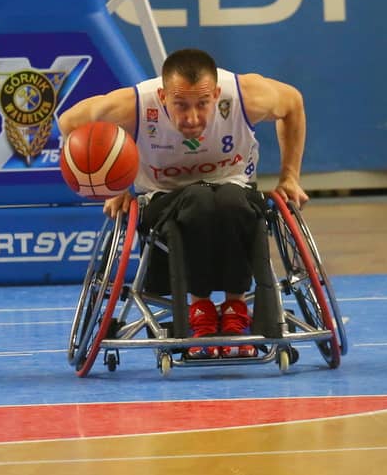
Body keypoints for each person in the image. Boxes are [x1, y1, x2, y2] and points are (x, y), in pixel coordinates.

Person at [58, 48, 308, 359]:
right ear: (163, 96)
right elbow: (69, 122)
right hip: (163, 197)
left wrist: (290, 177)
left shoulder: (245, 95)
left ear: (216, 94)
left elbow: (293, 103)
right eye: (181, 105)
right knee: (198, 199)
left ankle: (235, 304)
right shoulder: (136, 104)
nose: (192, 118)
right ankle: (200, 305)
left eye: (202, 104)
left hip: (234, 189)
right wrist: (113, 186)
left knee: (231, 200)